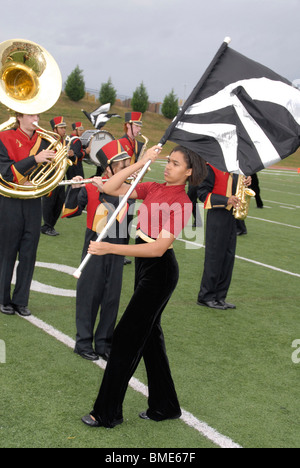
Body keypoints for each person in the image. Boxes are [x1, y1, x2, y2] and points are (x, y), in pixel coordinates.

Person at [81, 144, 207, 428]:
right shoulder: (152, 187)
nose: (168, 166)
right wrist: (141, 162)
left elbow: (158, 249)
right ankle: (165, 405)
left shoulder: (183, 202)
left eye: (175, 164)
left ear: (189, 172)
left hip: (159, 272)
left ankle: (107, 413)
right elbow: (112, 187)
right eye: (168, 161)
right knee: (149, 338)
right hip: (144, 268)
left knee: (125, 337)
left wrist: (110, 249)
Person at [62, 140, 131, 361]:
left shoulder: (131, 189)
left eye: (128, 163)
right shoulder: (93, 186)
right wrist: (75, 188)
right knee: (89, 295)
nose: (127, 168)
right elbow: (70, 212)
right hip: (95, 248)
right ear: (108, 167)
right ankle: (83, 342)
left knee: (111, 297)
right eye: (122, 164)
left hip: (118, 248)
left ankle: (104, 343)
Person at [0, 113, 56, 316]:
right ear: (19, 117)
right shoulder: (4, 137)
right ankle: (2, 298)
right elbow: (5, 172)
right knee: (7, 252)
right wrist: (35, 159)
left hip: (33, 202)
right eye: (31, 114)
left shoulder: (45, 140)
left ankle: (21, 300)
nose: (36, 118)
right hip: (10, 201)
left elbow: (52, 170)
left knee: (29, 252)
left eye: (38, 114)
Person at [197, 164, 251, 310]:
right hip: (218, 214)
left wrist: (245, 181)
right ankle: (206, 296)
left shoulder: (237, 169)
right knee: (215, 256)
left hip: (231, 215)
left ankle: (220, 297)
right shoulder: (210, 167)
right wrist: (225, 200)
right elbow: (202, 194)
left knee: (228, 257)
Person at [40, 116, 71, 236]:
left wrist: (71, 155)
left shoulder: (65, 141)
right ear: (54, 129)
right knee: (49, 201)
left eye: (64, 127)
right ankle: (47, 226)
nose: (64, 130)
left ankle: (51, 225)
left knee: (60, 202)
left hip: (60, 176)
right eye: (61, 128)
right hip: (50, 175)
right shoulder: (48, 140)